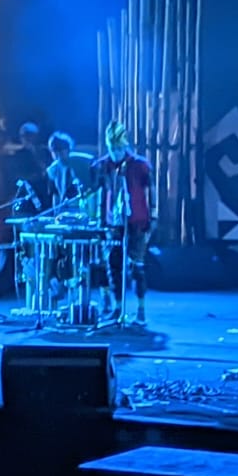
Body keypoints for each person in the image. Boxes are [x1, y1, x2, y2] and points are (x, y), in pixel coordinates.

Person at [93, 122, 155, 326]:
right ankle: (118, 308)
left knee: (137, 266)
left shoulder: (140, 165)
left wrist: (153, 217)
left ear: (125, 145)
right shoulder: (103, 166)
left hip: (137, 221)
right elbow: (100, 194)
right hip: (113, 224)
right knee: (113, 266)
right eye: (112, 148)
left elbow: (151, 192)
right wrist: (101, 221)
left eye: (118, 148)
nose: (115, 152)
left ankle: (141, 310)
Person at [45, 131, 94, 209]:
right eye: (54, 150)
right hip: (64, 209)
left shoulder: (84, 162)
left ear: (68, 149)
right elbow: (55, 194)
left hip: (85, 205)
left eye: (61, 149)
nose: (58, 153)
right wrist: (56, 212)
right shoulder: (52, 170)